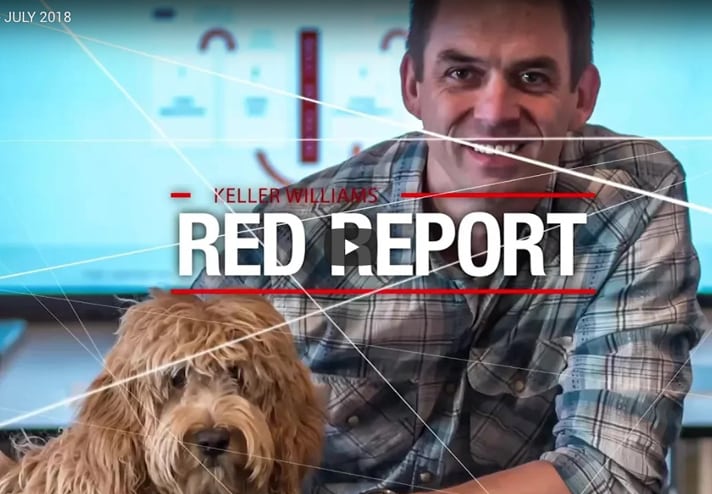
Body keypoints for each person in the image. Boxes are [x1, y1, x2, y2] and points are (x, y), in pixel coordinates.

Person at [192, 0, 707, 492]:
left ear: (582, 96)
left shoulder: (630, 196)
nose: (495, 112)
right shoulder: (286, 240)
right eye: (462, 73)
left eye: (532, 77)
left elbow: (612, 472)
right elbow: (164, 440)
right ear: (413, 86)